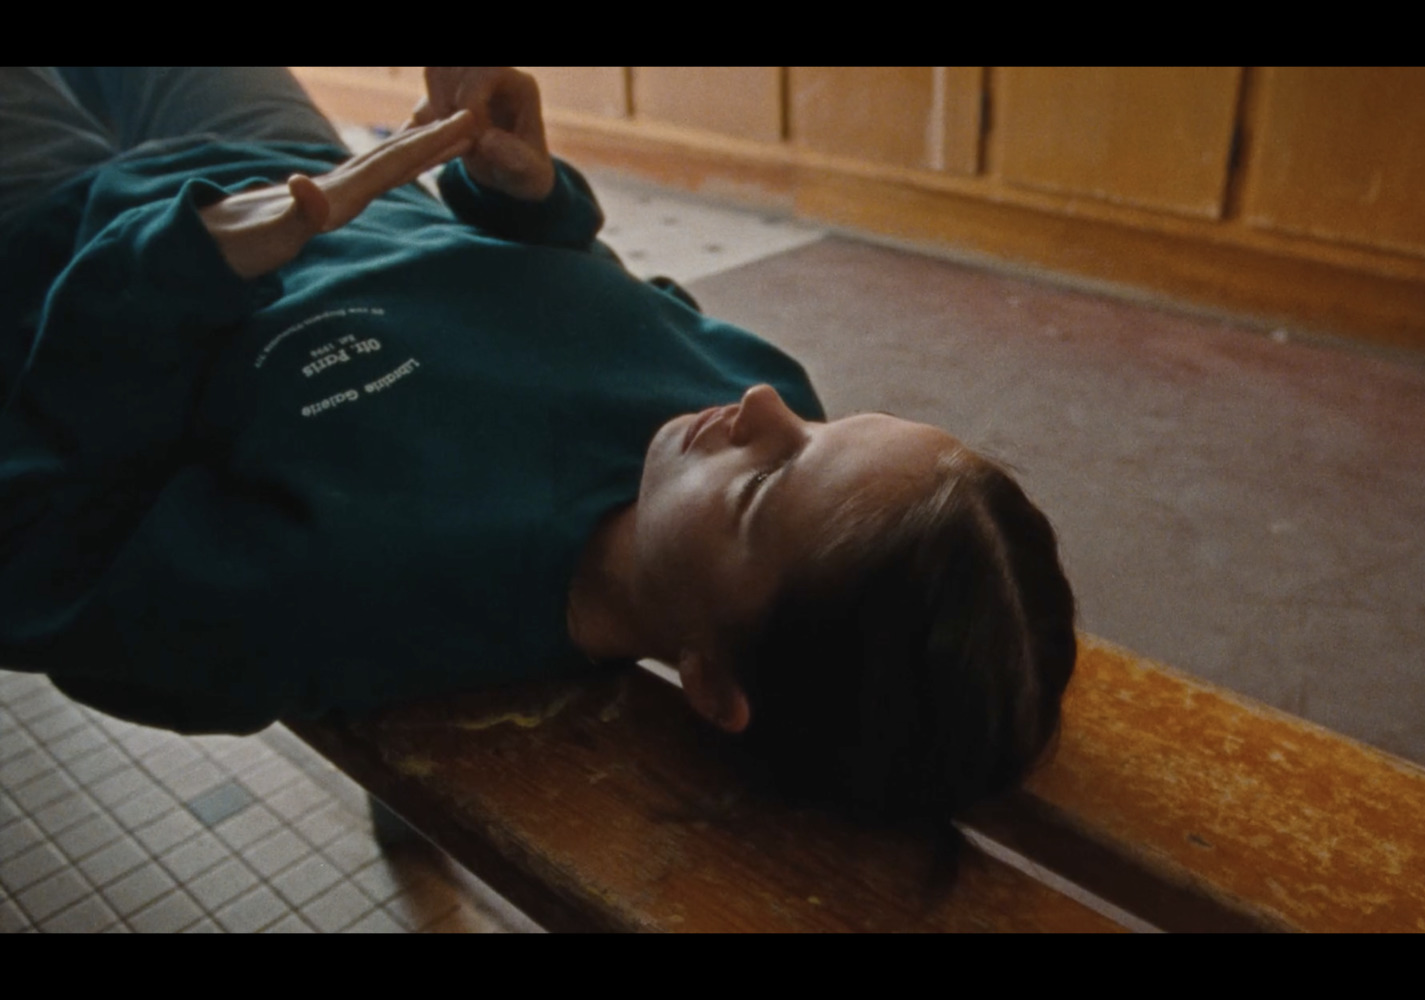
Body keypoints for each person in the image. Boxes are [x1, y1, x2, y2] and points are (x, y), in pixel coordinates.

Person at [0, 68, 1077, 821]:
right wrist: (528, 198)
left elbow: (38, 553)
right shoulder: (735, 419)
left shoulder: (358, 597)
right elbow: (597, 301)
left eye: (768, 484)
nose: (755, 405)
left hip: (56, 240)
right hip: (288, 163)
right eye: (828, 428)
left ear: (709, 681)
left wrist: (177, 267)